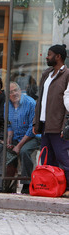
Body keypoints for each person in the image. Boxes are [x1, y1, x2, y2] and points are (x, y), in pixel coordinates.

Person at [0, 82, 40, 194]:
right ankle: (5, 183)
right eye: (10, 92)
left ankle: (27, 183)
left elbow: (31, 128)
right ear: (7, 95)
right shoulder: (6, 105)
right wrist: (9, 138)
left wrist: (18, 146)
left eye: (16, 90)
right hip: (17, 136)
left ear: (20, 90)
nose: (14, 93)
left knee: (24, 151)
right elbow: (8, 124)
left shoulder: (30, 103)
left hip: (32, 136)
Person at [36, 44, 69, 198]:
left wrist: (64, 126)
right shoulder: (46, 74)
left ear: (58, 57)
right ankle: (51, 186)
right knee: (47, 159)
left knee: (63, 158)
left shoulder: (67, 75)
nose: (46, 57)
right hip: (44, 124)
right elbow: (40, 100)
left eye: (49, 54)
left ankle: (67, 186)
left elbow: (67, 104)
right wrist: (36, 122)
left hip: (58, 126)